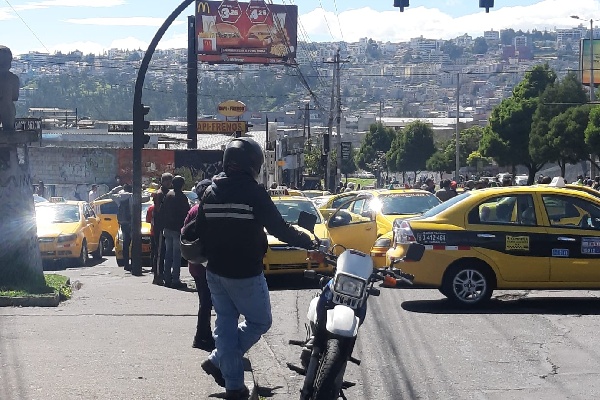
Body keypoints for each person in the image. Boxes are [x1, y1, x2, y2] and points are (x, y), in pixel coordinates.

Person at [198, 138, 317, 399]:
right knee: (260, 321)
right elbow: (278, 229)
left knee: (226, 324)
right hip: (245, 272)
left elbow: (199, 230)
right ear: (253, 164)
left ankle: (232, 384)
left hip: (215, 271)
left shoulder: (210, 192)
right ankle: (220, 360)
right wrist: (307, 240)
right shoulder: (253, 192)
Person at [183, 179, 215, 351]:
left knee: (205, 301)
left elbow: (184, 232)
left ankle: (205, 335)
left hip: (195, 263)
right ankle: (202, 336)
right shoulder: (203, 210)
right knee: (206, 301)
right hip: (204, 263)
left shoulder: (193, 210)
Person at [161, 175, 190, 289]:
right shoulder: (182, 197)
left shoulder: (168, 195)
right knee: (176, 255)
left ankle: (167, 278)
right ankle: (175, 280)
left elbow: (162, 210)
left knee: (168, 254)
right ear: (182, 185)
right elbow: (186, 214)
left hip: (167, 228)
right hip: (177, 229)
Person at [152, 173, 173, 285]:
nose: (169, 183)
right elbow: (159, 210)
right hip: (160, 226)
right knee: (159, 251)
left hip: (164, 225)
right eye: (167, 181)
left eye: (170, 181)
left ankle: (162, 274)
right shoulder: (160, 194)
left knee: (163, 251)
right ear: (163, 182)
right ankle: (158, 275)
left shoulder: (166, 193)